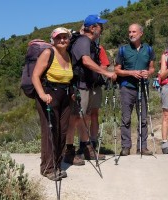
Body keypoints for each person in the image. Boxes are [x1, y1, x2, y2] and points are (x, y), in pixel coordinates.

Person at [64, 14, 116, 164]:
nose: (102, 28)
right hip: (80, 86)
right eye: (100, 26)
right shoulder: (83, 41)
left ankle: (86, 148)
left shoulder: (91, 43)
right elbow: (86, 61)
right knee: (75, 118)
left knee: (85, 117)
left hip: (88, 85)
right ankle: (69, 151)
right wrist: (106, 73)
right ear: (93, 28)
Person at [32, 27, 73, 181]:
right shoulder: (48, 53)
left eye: (65, 37)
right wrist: (42, 95)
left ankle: (57, 164)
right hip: (49, 95)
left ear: (69, 39)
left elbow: (67, 78)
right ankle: (47, 168)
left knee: (62, 131)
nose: (62, 40)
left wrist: (72, 93)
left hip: (65, 96)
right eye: (58, 38)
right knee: (50, 132)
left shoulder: (68, 55)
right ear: (53, 40)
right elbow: (35, 76)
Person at [114, 23, 155, 156]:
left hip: (143, 87)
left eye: (134, 32)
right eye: (129, 32)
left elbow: (152, 68)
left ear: (141, 33)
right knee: (126, 118)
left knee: (143, 119)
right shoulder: (123, 50)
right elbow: (117, 70)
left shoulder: (148, 49)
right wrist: (131, 73)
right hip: (127, 87)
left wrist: (148, 73)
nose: (131, 34)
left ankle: (142, 147)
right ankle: (126, 147)